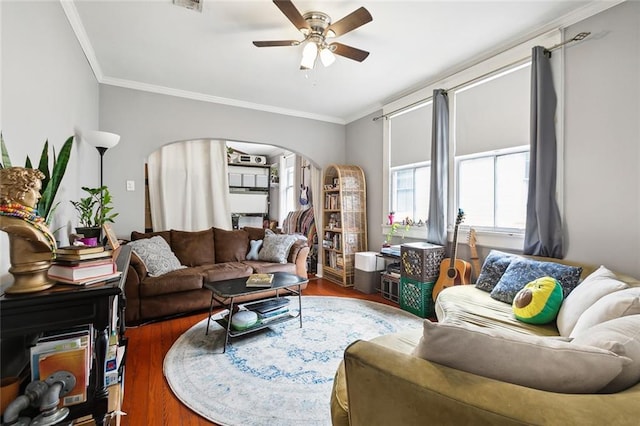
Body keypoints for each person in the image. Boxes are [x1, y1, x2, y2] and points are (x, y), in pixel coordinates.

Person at [0, 167, 56, 293]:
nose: (39, 196)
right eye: (35, 190)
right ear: (17, 192)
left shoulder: (31, 221)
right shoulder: (11, 224)